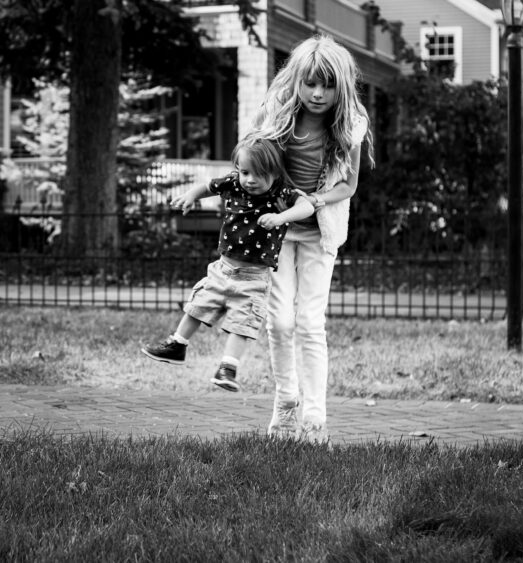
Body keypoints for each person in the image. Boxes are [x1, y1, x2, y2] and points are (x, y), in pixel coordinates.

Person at [251, 34, 374, 444]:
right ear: (297, 81)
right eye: (310, 84)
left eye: (327, 85)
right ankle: (286, 404)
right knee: (280, 319)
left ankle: (314, 419)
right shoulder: (277, 116)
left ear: (340, 85)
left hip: (321, 233)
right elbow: (254, 168)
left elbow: (349, 186)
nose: (317, 94)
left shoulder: (351, 124)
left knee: (309, 322)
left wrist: (314, 201)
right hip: (279, 233)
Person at [141, 137, 315, 392]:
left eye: (259, 174)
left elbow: (307, 207)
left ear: (275, 173)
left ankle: (228, 368)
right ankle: (177, 344)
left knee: (243, 322)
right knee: (198, 305)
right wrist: (191, 195)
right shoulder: (234, 183)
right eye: (245, 172)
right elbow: (208, 187)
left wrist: (281, 217)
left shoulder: (281, 193)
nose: (250, 180)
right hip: (222, 269)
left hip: (253, 277)